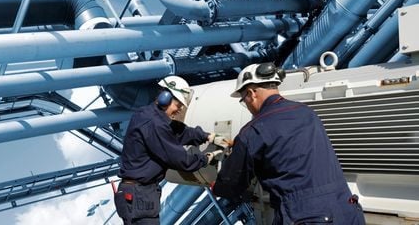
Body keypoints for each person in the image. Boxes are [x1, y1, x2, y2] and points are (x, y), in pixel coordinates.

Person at [212, 63, 365, 225]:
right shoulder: (308, 113)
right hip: (347, 210)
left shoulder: (253, 131)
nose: (247, 106)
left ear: (251, 93)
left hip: (306, 217)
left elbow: (232, 184)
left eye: (244, 100)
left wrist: (217, 186)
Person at [115, 75, 223, 224]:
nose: (178, 111)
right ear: (165, 98)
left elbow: (180, 132)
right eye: (178, 106)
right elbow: (181, 161)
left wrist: (207, 136)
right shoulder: (154, 124)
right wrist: (206, 158)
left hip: (138, 194)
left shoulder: (149, 116)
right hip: (139, 195)